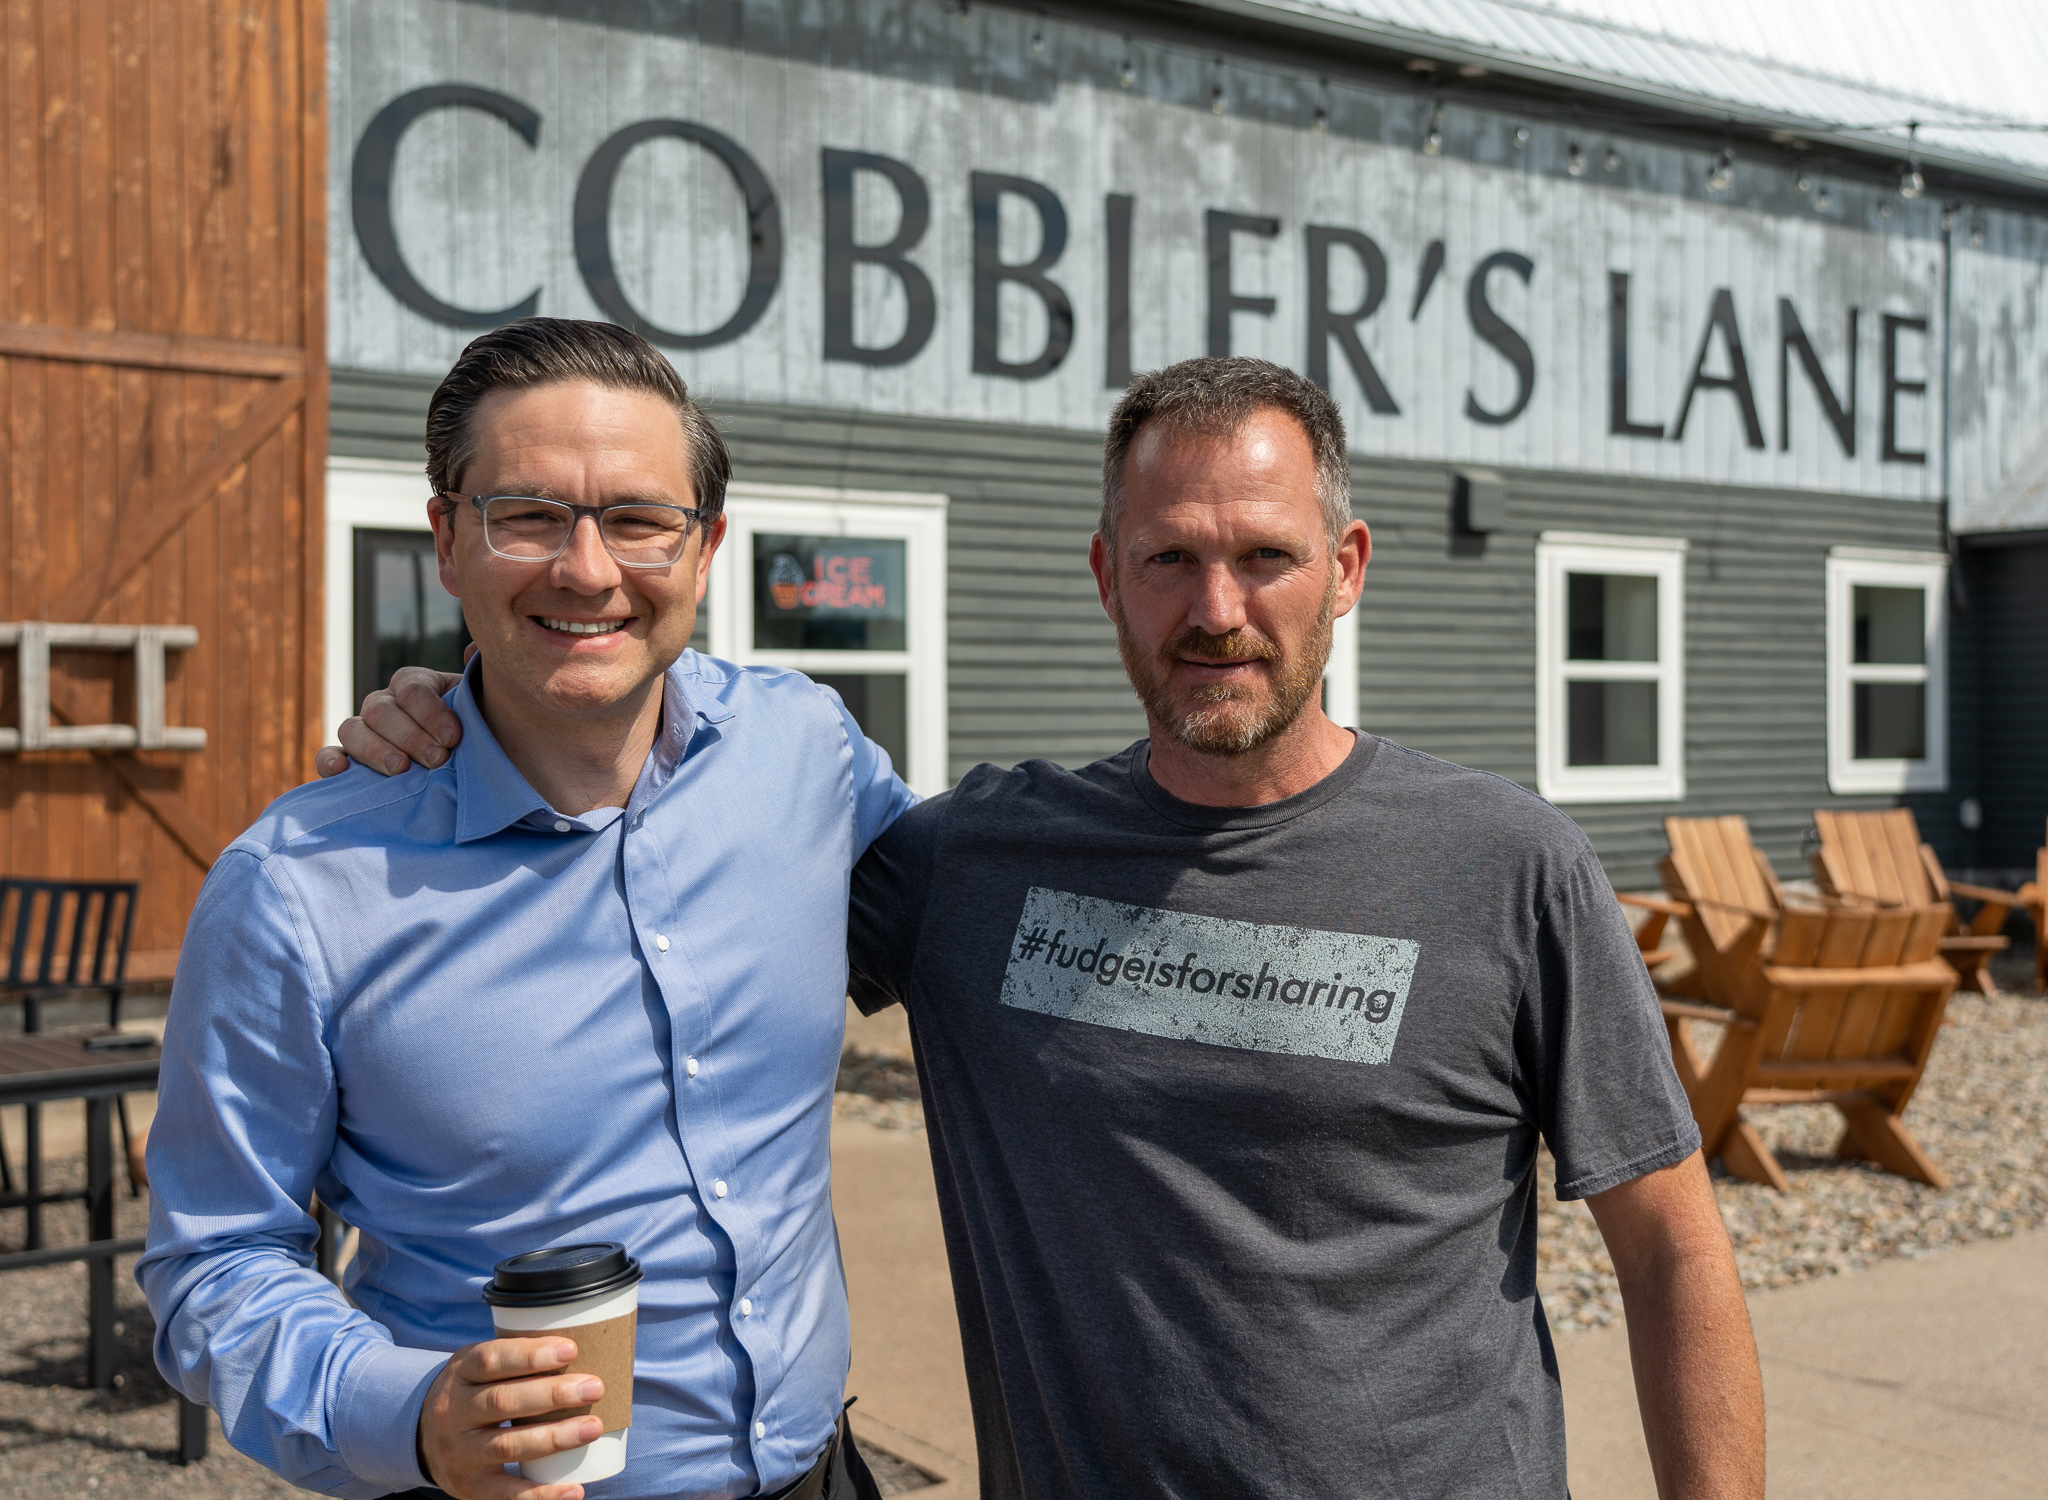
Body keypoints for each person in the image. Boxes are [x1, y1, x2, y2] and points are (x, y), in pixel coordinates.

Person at [335, 358, 1767, 1499]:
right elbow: (653, 867)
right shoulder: (973, 860)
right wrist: (479, 713)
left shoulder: (1507, 865)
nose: (1217, 611)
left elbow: (1674, 1251)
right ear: (1103, 576)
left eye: (1264, 556)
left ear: (1347, 566)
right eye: (1168, 561)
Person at [143, 318, 909, 1500]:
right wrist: (408, 1413)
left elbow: (989, 902)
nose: (587, 569)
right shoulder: (298, 885)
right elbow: (215, 1262)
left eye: (637, 519)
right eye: (529, 515)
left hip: (825, 1473)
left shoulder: (804, 750)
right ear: (448, 539)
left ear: (705, 548)